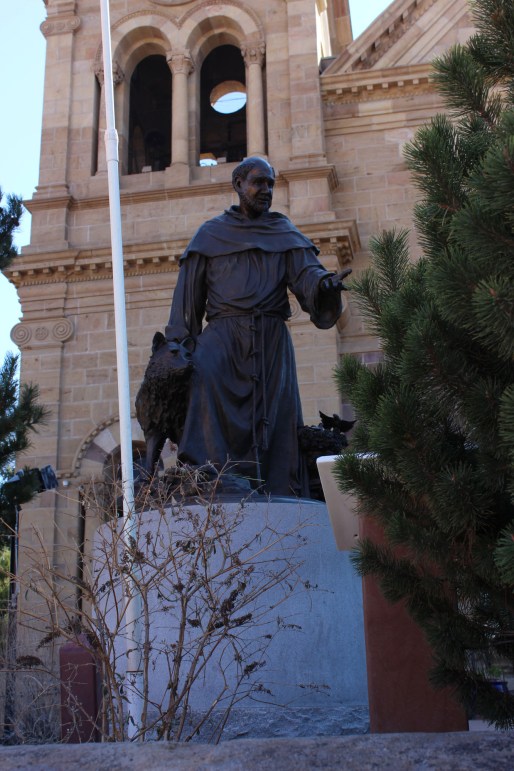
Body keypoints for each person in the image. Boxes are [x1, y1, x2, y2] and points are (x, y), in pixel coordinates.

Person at [165, 157, 350, 497]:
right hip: (222, 336)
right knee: (203, 378)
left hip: (270, 339)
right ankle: (210, 476)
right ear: (239, 185)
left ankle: (278, 488)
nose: (266, 190)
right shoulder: (209, 235)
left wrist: (324, 285)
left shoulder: (283, 232)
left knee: (277, 418)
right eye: (258, 182)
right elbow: (187, 298)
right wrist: (176, 347)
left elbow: (307, 272)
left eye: (270, 184)